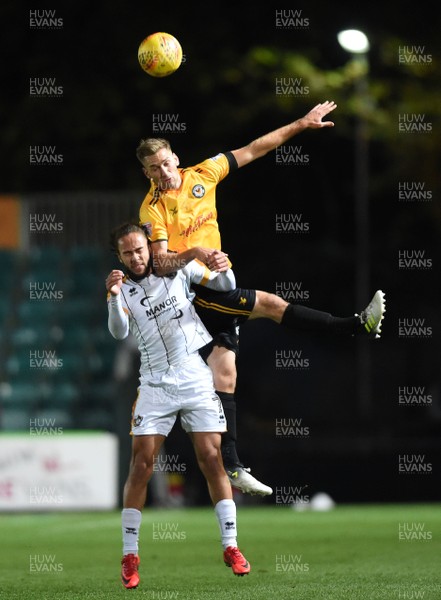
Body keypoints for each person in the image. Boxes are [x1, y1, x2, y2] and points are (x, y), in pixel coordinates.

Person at [136, 101, 386, 497]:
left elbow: (255, 148)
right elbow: (162, 262)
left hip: (214, 284)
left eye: (165, 164)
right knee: (269, 305)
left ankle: (233, 467)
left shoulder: (204, 173)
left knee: (226, 376)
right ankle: (355, 326)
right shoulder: (153, 207)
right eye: (152, 168)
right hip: (190, 292)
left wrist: (303, 124)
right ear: (146, 173)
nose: (161, 173)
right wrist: (196, 254)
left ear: (175, 160)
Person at [106, 222, 251, 590]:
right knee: (141, 464)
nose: (136, 257)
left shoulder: (179, 268)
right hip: (154, 384)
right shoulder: (121, 290)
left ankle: (231, 546)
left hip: (193, 377)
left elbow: (226, 286)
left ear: (149, 247)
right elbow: (119, 332)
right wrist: (111, 297)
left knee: (211, 457)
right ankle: (129, 555)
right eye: (127, 252)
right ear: (119, 257)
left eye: (139, 249)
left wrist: (222, 264)